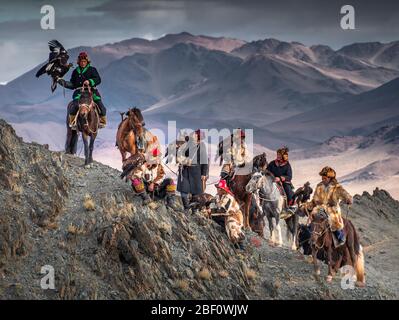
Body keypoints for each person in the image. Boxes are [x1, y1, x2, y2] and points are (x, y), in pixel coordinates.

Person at [305, 166, 352, 246]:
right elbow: (315, 199)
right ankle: (310, 235)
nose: (323, 180)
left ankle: (340, 236)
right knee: (312, 218)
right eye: (322, 178)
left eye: (325, 178)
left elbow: (346, 195)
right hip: (320, 208)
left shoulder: (337, 188)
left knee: (332, 219)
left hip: (332, 209)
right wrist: (309, 206)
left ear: (330, 178)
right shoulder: (319, 186)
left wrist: (349, 199)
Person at [58, 52, 107, 128]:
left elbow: (98, 79)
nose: (83, 63)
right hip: (79, 93)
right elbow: (73, 84)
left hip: (91, 92)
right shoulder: (75, 72)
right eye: (81, 61)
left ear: (87, 62)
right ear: (78, 62)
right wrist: (62, 82)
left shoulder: (92, 69)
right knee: (73, 107)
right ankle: (73, 122)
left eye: (84, 61)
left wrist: (90, 81)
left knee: (102, 107)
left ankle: (102, 122)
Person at [177, 129, 209, 211]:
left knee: (196, 193)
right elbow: (180, 154)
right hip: (185, 170)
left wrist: (203, 174)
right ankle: (186, 208)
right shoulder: (186, 144)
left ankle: (195, 210)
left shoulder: (202, 146)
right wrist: (185, 160)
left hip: (196, 172)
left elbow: (204, 161)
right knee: (184, 191)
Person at [209, 179, 245, 249]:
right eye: (218, 188)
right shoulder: (217, 196)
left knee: (232, 227)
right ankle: (225, 230)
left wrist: (211, 211)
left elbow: (223, 210)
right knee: (215, 219)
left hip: (234, 215)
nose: (218, 190)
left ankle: (241, 247)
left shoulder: (228, 197)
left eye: (220, 189)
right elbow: (212, 203)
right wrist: (209, 207)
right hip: (226, 214)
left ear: (223, 190)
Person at [267, 146, 296, 214]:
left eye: (280, 155)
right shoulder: (272, 163)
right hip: (271, 180)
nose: (278, 156)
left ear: (283, 157)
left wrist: (280, 178)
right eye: (277, 155)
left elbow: (289, 176)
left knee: (287, 189)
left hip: (283, 182)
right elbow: (267, 171)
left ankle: (290, 204)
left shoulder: (287, 165)